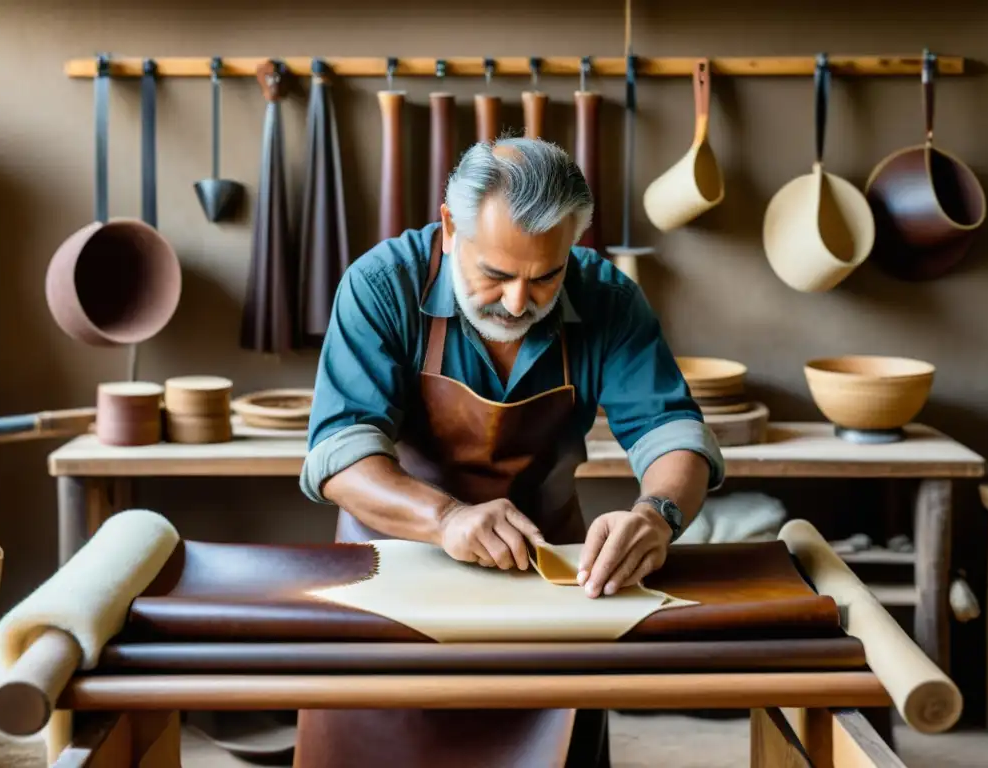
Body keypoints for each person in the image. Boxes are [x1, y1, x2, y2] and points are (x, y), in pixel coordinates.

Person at [297, 137, 725, 768]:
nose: (520, 303)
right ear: (449, 227)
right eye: (495, 275)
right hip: (396, 570)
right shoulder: (381, 285)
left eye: (545, 276)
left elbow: (673, 432)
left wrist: (655, 515)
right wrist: (446, 519)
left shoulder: (608, 297)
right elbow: (339, 451)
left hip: (547, 585)